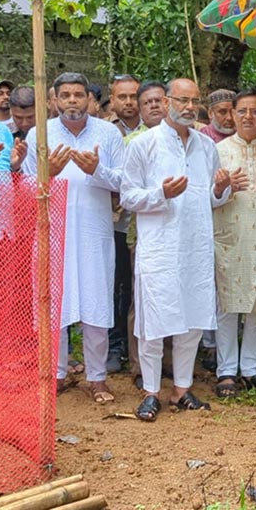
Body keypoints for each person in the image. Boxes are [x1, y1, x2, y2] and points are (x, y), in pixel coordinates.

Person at [121, 78, 232, 421]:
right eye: (182, 100)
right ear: (167, 102)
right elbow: (127, 197)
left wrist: (221, 189)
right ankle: (151, 391)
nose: (188, 107)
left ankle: (182, 388)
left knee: (193, 322)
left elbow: (214, 200)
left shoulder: (205, 146)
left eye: (194, 101)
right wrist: (161, 195)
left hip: (196, 248)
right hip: (159, 249)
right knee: (154, 320)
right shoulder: (144, 145)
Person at [22, 72, 125, 402]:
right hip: (52, 231)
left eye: (78, 95)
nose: (71, 101)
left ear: (90, 100)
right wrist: (47, 174)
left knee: (96, 301)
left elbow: (124, 182)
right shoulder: (41, 132)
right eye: (64, 95)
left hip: (95, 231)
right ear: (53, 101)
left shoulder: (108, 133)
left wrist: (97, 170)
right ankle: (57, 374)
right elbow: (25, 188)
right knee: (54, 303)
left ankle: (97, 378)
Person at [213, 90, 256, 397]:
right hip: (227, 236)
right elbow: (204, 199)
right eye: (242, 112)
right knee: (225, 304)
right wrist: (223, 189)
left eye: (255, 111)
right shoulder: (216, 151)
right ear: (233, 114)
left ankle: (251, 367)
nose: (248, 117)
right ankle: (226, 369)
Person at [110, 82, 168, 375]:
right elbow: (126, 191)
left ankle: (169, 362)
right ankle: (139, 366)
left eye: (159, 100)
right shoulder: (133, 142)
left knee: (173, 295)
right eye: (148, 103)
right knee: (142, 298)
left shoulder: (188, 139)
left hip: (178, 232)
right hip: (141, 232)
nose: (154, 106)